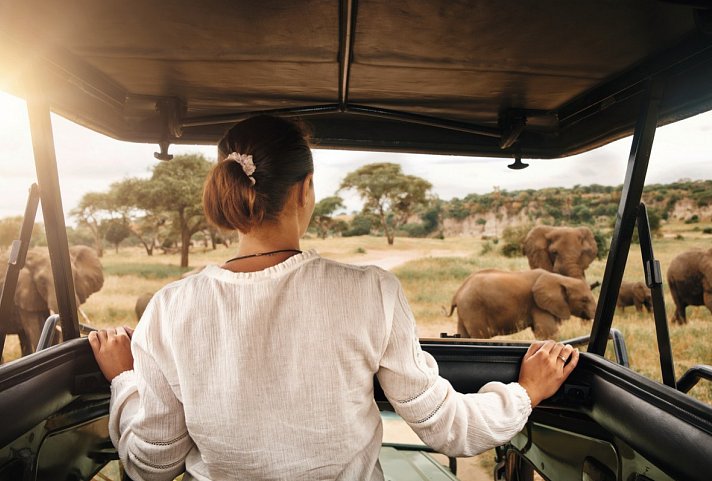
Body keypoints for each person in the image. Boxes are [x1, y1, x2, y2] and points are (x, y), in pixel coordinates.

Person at [89, 115, 579, 481]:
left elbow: (151, 463)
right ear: (305, 190)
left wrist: (126, 380)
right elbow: (447, 427)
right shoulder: (371, 291)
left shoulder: (170, 308)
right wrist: (526, 392)